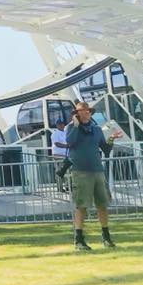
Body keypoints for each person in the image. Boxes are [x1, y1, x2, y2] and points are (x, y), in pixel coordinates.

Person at [65, 103, 116, 251]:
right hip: (80, 172)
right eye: (82, 111)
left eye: (88, 111)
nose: (86, 113)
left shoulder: (97, 130)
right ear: (77, 114)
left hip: (97, 171)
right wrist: (75, 125)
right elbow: (70, 142)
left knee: (103, 204)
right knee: (81, 206)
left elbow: (105, 149)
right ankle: (79, 240)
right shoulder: (71, 128)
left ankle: (106, 237)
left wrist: (111, 139)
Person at [51, 120, 70, 192]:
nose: (62, 125)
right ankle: (60, 187)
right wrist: (66, 146)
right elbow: (57, 144)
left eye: (62, 124)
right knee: (59, 171)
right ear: (57, 125)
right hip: (58, 155)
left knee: (68, 171)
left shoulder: (65, 133)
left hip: (66, 155)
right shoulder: (55, 134)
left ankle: (68, 186)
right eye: (60, 124)